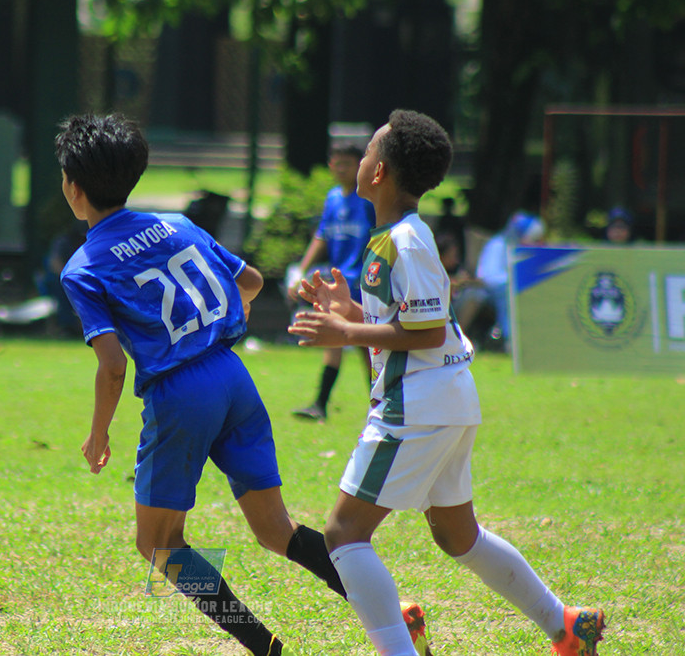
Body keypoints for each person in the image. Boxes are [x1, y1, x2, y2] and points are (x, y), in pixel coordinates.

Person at [56, 113, 430, 656]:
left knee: (159, 545)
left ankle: (264, 647)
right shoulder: (178, 225)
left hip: (179, 393)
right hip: (234, 379)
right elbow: (250, 282)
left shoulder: (83, 266)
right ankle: (389, 611)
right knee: (275, 529)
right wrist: (226, 316)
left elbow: (112, 365)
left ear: (73, 186)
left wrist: (98, 434)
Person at [288, 109, 605, 656]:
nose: (359, 160)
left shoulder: (405, 240)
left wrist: (344, 328)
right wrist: (348, 309)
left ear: (380, 172)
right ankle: (565, 626)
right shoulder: (393, 237)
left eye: (366, 152)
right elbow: (407, 319)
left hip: (419, 405)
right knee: (458, 536)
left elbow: (428, 330)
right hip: (446, 399)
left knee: (342, 534)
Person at [287, 142, 376, 423]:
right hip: (339, 284)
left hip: (364, 282)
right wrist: (301, 268)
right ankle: (321, 404)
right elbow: (321, 235)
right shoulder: (333, 197)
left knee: (366, 346)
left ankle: (379, 404)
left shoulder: (368, 199)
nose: (340, 169)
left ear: (359, 165)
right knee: (334, 339)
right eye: (335, 163)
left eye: (346, 164)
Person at [475, 210, 544, 347]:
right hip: (492, 290)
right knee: (508, 293)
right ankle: (510, 339)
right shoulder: (498, 244)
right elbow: (489, 276)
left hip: (512, 286)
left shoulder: (518, 247)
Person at [434, 230, 495, 348]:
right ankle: (455, 338)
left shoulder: (455, 270)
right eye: (452, 255)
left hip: (447, 315)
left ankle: (458, 337)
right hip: (436, 317)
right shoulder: (432, 271)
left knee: (478, 294)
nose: (456, 259)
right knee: (475, 296)